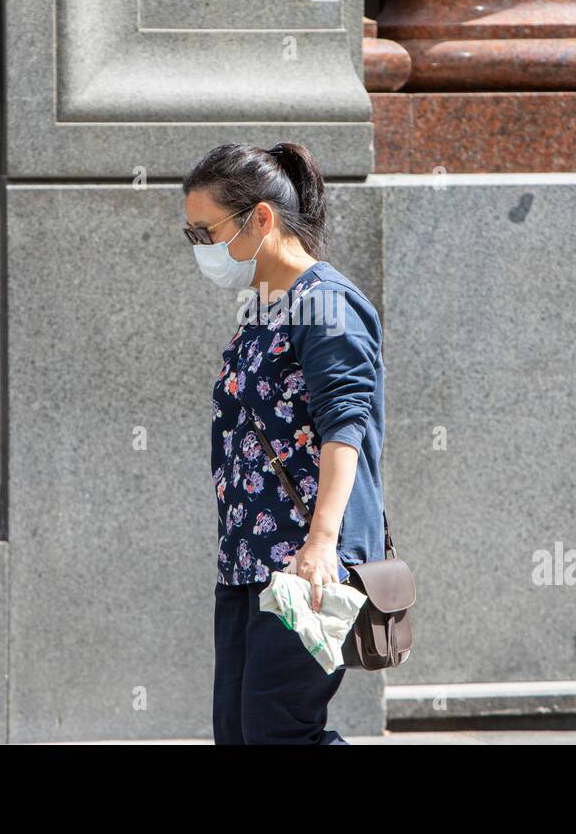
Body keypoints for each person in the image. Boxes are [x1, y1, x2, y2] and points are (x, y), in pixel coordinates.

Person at [182, 141, 386, 745]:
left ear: (261, 218)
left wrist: (322, 543)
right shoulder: (264, 307)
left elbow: (344, 425)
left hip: (306, 561)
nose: (202, 250)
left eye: (206, 232)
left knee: (279, 731)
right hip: (249, 560)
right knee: (242, 734)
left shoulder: (325, 302)